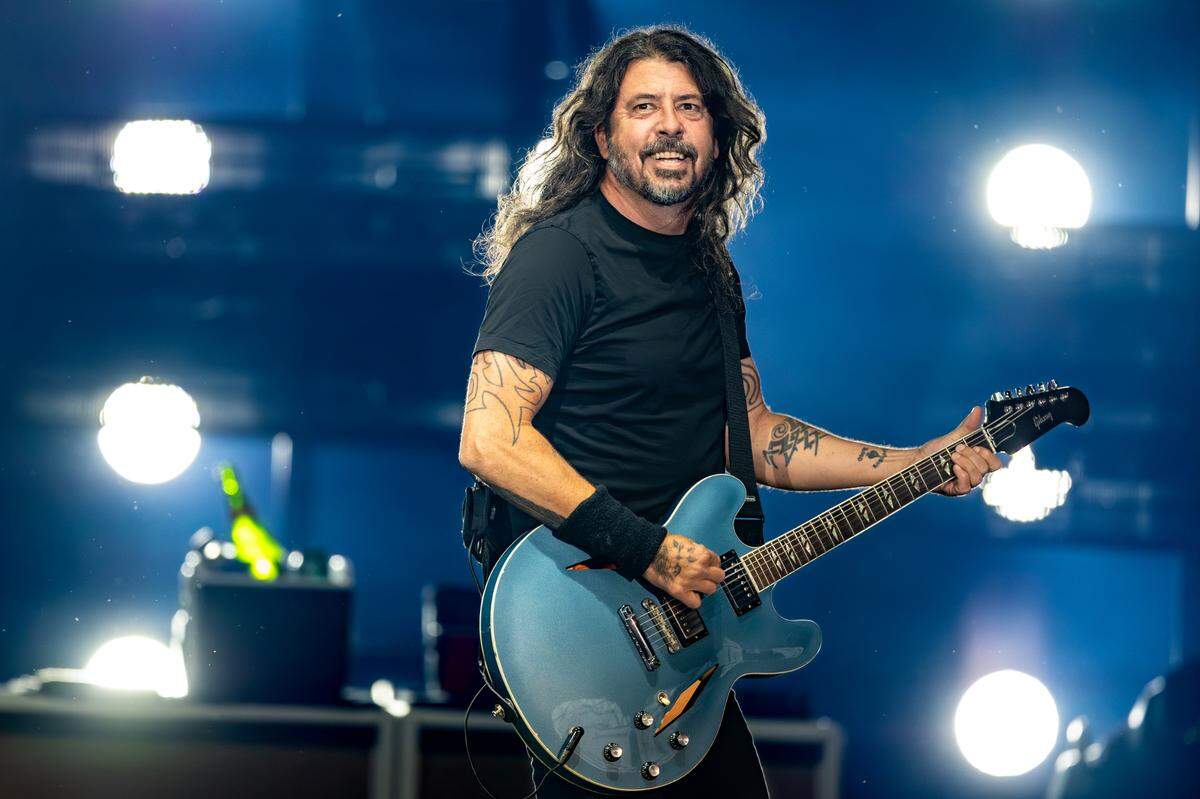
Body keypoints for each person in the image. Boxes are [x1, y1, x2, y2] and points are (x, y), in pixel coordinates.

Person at [458, 25, 1002, 798]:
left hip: (684, 637)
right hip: (585, 625)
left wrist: (915, 462)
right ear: (602, 135)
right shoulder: (560, 255)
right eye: (644, 107)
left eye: (690, 107)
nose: (670, 125)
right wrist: (646, 548)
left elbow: (754, 435)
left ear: (718, 136)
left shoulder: (709, 270)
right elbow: (490, 438)